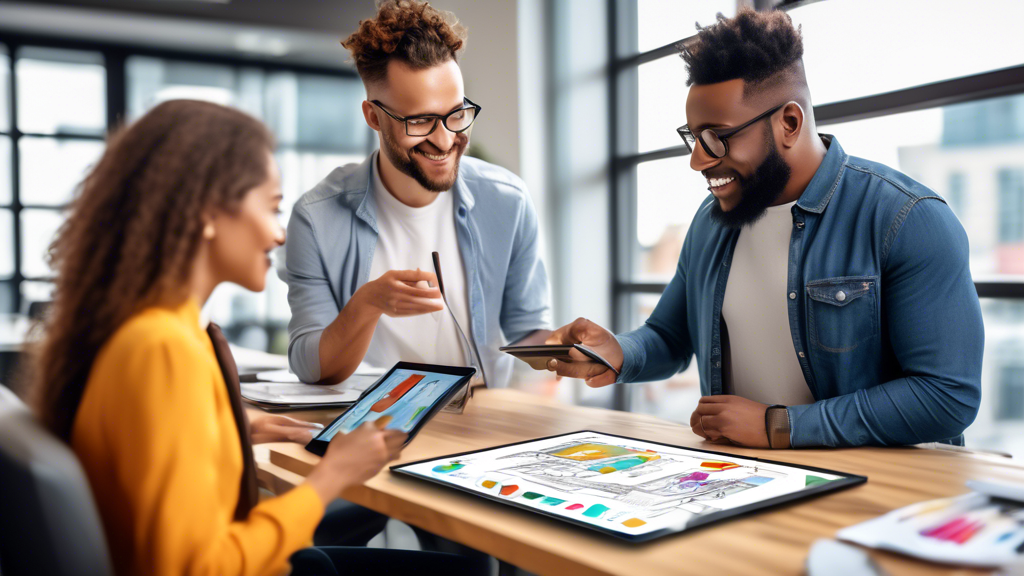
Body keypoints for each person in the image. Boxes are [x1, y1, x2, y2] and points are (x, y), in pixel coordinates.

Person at [28, 99, 489, 576]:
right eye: (271, 207)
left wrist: (225, 428)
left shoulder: (143, 329)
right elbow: (195, 567)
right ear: (207, 209)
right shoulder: (163, 349)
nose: (279, 235)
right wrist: (331, 478)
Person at [545, 8, 984, 449]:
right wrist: (618, 352)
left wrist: (781, 426)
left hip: (884, 495)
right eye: (693, 137)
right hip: (751, 480)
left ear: (789, 123)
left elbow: (946, 395)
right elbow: (670, 337)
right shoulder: (710, 221)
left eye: (716, 137)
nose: (698, 159)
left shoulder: (907, 218)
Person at [281, 0, 552, 390]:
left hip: (481, 420)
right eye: (421, 120)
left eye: (457, 113)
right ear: (373, 117)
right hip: (370, 427)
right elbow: (310, 365)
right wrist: (368, 303)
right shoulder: (316, 216)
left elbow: (527, 331)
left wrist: (560, 347)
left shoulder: (507, 200)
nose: (445, 140)